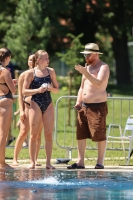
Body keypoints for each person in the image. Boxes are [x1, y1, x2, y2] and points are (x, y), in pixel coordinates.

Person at [67, 43, 110, 169]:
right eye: (84, 54)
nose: (85, 57)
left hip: (97, 106)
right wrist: (78, 101)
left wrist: (85, 72)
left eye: (88, 54)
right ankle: (80, 162)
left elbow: (98, 83)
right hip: (84, 106)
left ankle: (100, 162)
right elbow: (82, 87)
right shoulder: (87, 68)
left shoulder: (103, 67)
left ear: (96, 55)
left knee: (99, 134)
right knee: (81, 134)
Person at [23, 50, 59, 169]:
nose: (48, 60)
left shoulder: (51, 72)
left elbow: (57, 89)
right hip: (35, 103)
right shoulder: (31, 73)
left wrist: (50, 88)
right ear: (39, 60)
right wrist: (37, 90)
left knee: (48, 134)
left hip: (48, 104)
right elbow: (24, 91)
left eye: (48, 58)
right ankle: (32, 161)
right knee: (33, 135)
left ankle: (48, 162)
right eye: (46, 58)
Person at [12, 54, 43, 167]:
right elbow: (20, 95)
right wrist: (21, 110)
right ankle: (15, 158)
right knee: (23, 132)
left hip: (39, 107)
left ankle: (34, 159)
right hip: (27, 106)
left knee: (38, 134)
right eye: (30, 60)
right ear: (27, 62)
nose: (32, 62)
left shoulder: (41, 74)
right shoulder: (24, 75)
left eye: (34, 60)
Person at [0, 47, 16, 169]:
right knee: (3, 133)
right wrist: (12, 82)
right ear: (6, 57)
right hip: (4, 100)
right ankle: (2, 163)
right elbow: (13, 90)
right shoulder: (5, 71)